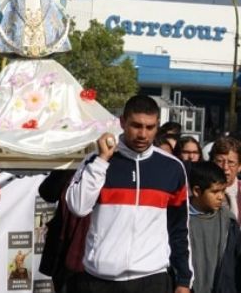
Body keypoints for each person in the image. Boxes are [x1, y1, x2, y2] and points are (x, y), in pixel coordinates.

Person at [66, 94, 192, 292]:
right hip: (98, 280)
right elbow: (78, 207)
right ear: (122, 122)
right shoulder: (96, 161)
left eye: (150, 127)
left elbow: (178, 229)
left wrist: (184, 280)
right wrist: (101, 161)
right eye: (136, 125)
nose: (143, 134)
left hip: (152, 279)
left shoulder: (172, 167)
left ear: (157, 126)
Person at [187, 162, 241, 293]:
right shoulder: (181, 219)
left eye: (223, 190)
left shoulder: (228, 221)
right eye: (215, 191)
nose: (221, 197)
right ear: (197, 191)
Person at [208, 136, 241, 222]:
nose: (225, 167)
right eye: (219, 161)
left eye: (231, 162)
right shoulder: (202, 192)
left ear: (239, 166)